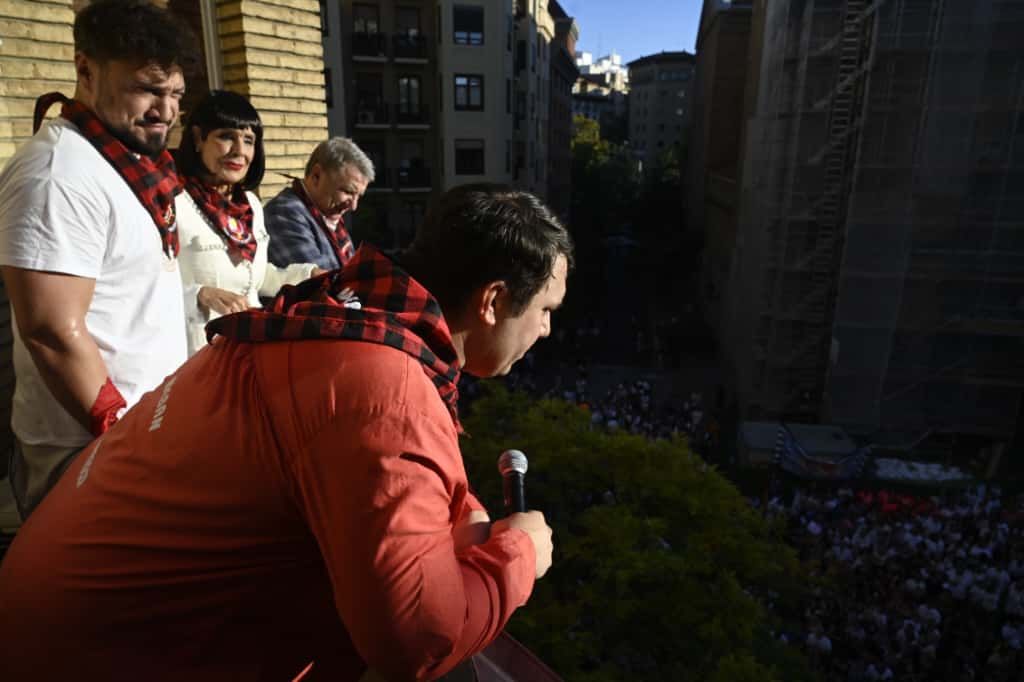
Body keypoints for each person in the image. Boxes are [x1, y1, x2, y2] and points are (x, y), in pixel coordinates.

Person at [0, 184, 572, 681]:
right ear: (494, 301)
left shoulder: (338, 314)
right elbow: (416, 640)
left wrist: (451, 502)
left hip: (53, 622)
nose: (546, 330)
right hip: (92, 660)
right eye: (546, 309)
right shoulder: (383, 385)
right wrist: (517, 554)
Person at [0, 0, 198, 519]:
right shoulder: (57, 173)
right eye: (148, 90)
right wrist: (130, 442)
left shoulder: (125, 162)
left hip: (142, 443)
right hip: (88, 456)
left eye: (175, 93)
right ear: (85, 70)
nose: (167, 110)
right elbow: (49, 329)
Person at [174, 90, 323, 356]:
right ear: (198, 138)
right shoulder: (174, 202)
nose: (239, 151)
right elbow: (145, 287)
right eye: (226, 137)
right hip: (195, 357)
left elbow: (258, 278)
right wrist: (199, 294)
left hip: (247, 354)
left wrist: (308, 276)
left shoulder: (250, 206)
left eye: (248, 140)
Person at [265, 136, 374, 271]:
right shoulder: (284, 213)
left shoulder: (326, 215)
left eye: (358, 196)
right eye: (347, 191)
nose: (353, 206)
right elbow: (321, 283)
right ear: (316, 176)